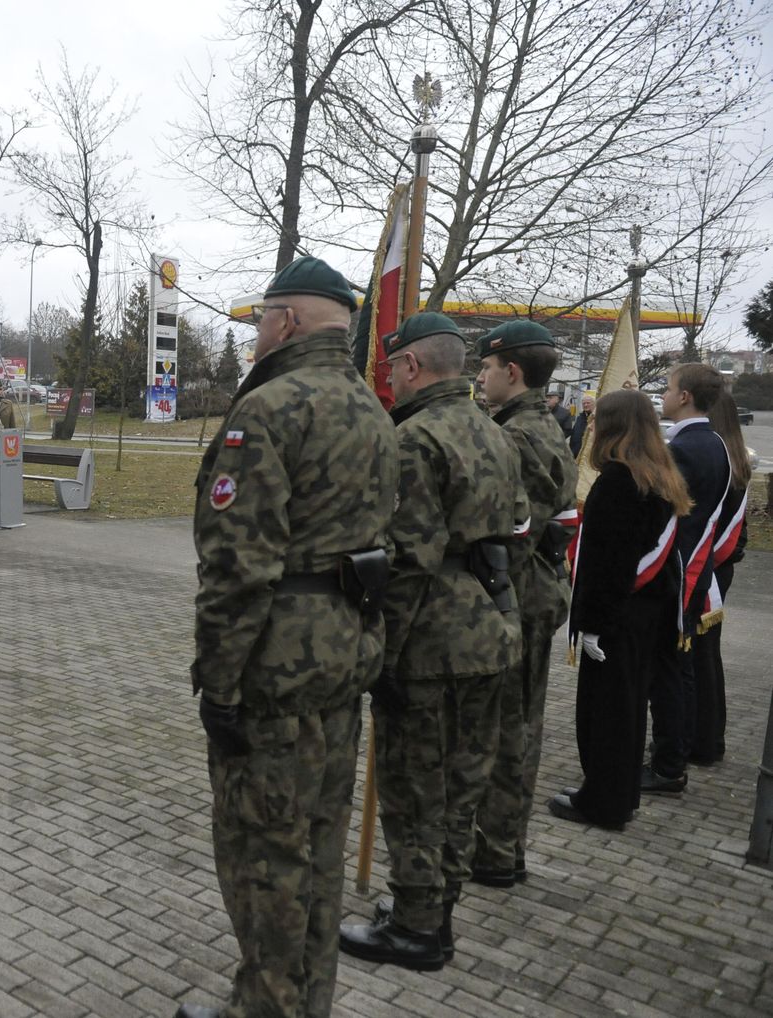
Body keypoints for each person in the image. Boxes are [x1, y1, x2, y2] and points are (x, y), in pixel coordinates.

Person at [176, 257, 398, 1018]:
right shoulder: (372, 409)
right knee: (320, 847)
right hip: (344, 654)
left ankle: (265, 1007)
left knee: (263, 852)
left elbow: (239, 567)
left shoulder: (269, 409)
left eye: (261, 321)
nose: (256, 334)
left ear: (288, 321)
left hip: (274, 666)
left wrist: (219, 681)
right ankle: (307, 1002)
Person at [338, 312, 525, 972]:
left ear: (412, 365)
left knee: (416, 790)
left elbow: (408, 561)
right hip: (489, 630)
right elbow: (515, 530)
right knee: (462, 786)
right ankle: (435, 912)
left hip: (430, 642)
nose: (389, 377)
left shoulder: (415, 439)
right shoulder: (494, 431)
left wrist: (382, 658)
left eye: (393, 366)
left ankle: (416, 927)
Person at [548, 390, 689, 828]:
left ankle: (602, 803)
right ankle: (618, 794)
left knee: (607, 712)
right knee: (626, 709)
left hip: (616, 616)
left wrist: (592, 624)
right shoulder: (657, 475)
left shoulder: (618, 481)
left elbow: (612, 564)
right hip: (643, 614)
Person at [469, 321, 578, 886]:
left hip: (519, 596)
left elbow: (514, 534)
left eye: (487, 367)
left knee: (508, 728)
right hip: (530, 592)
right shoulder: (531, 425)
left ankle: (496, 851)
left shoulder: (520, 436)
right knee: (515, 723)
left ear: (512, 371)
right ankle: (501, 847)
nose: (480, 377)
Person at [644, 363, 732, 794]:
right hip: (694, 570)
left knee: (669, 674)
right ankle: (674, 751)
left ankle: (668, 764)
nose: (663, 395)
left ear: (684, 397)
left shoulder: (684, 449)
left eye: (667, 388)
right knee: (681, 670)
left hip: (676, 572)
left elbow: (658, 512)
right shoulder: (714, 443)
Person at [689, 390, 751, 765]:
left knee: (697, 655)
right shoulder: (737, 461)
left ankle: (702, 739)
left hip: (704, 566)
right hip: (717, 566)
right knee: (707, 654)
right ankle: (710, 735)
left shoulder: (716, 462)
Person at [569, 393, 594, 458]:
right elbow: (574, 435)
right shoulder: (579, 418)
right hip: (575, 453)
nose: (586, 405)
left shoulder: (596, 418)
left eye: (588, 403)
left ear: (594, 404)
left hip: (589, 455)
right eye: (584, 403)